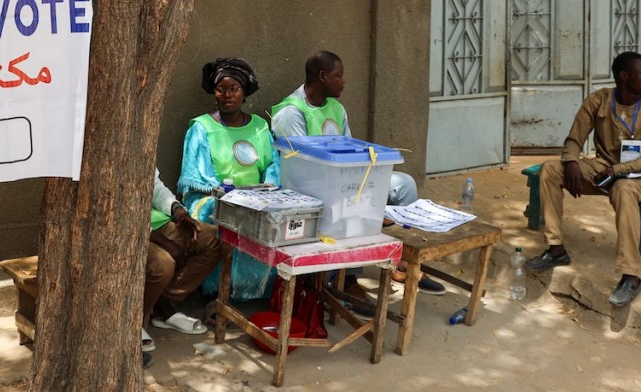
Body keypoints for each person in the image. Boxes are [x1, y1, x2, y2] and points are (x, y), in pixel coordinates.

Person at [270, 50, 445, 316]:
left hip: (343, 183)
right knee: (351, 205)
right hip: (308, 190)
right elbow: (297, 169)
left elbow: (351, 153)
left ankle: (402, 264)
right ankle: (349, 280)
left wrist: (374, 198)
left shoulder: (336, 108)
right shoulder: (291, 113)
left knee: (404, 184)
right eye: (338, 76)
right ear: (321, 76)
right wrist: (367, 203)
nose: (343, 81)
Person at [526, 51, 641, 307]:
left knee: (624, 189)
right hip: (603, 166)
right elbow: (574, 139)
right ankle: (556, 249)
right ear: (624, 77)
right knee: (550, 169)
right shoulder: (598, 100)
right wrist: (571, 162)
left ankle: (631, 275)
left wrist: (618, 170)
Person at [178, 57, 280, 300]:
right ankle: (219, 295)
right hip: (212, 197)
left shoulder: (259, 127)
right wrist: (226, 194)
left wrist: (264, 191)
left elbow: (273, 167)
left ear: (244, 93)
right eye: (221, 89)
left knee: (274, 216)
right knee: (224, 215)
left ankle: (258, 290)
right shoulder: (201, 128)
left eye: (234, 89)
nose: (227, 95)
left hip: (257, 196)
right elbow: (193, 175)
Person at [143, 169, 221, 351]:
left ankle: (161, 304)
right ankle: (134, 322)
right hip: (131, 231)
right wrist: (165, 243)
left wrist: (178, 210)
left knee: (213, 241)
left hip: (158, 223)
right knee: (163, 264)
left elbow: (154, 186)